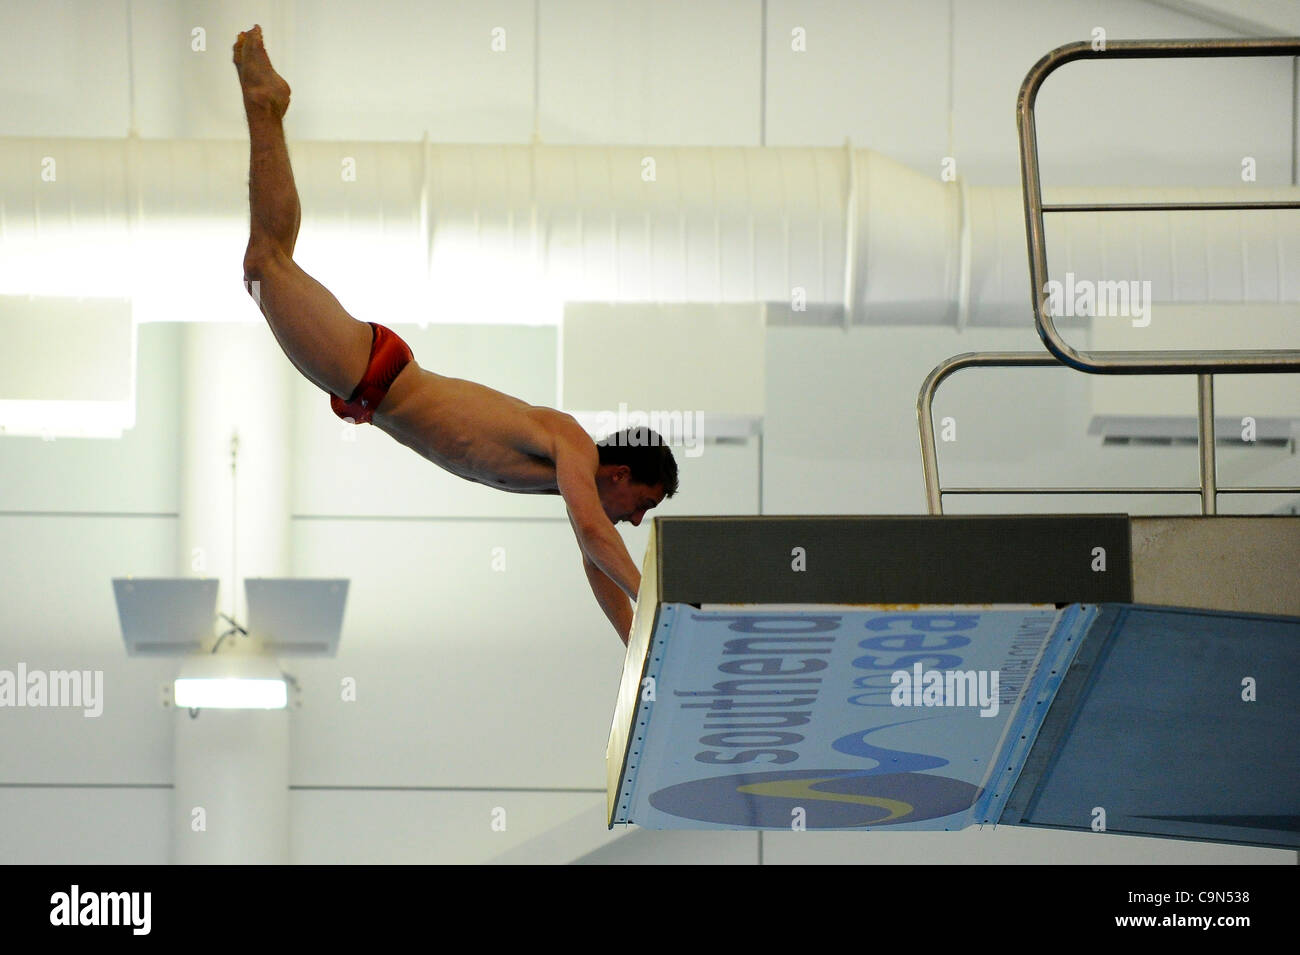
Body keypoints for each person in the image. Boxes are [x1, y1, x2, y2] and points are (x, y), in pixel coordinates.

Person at [232, 25, 676, 645]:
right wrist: (659, 604)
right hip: (373, 372)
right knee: (266, 262)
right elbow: (599, 539)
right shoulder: (572, 443)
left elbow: (593, 555)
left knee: (264, 265)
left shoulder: (568, 479)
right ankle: (266, 108)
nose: (632, 520)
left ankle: (267, 109)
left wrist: (638, 645)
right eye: (642, 505)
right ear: (621, 472)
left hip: (373, 385)